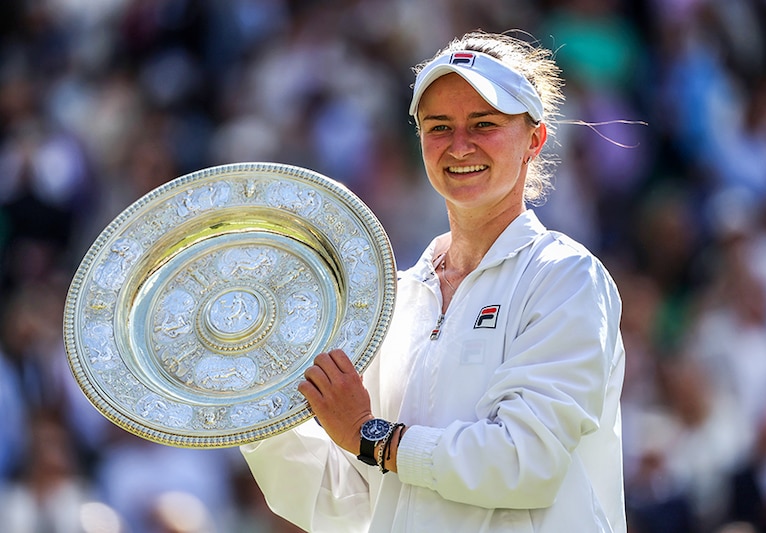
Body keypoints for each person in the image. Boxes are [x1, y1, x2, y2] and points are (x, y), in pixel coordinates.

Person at [241, 30, 626, 532]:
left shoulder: (565, 277)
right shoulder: (393, 299)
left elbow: (525, 463)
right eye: (438, 126)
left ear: (534, 139)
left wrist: (369, 434)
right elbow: (348, 503)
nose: (459, 145)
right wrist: (251, 402)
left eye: (483, 124)